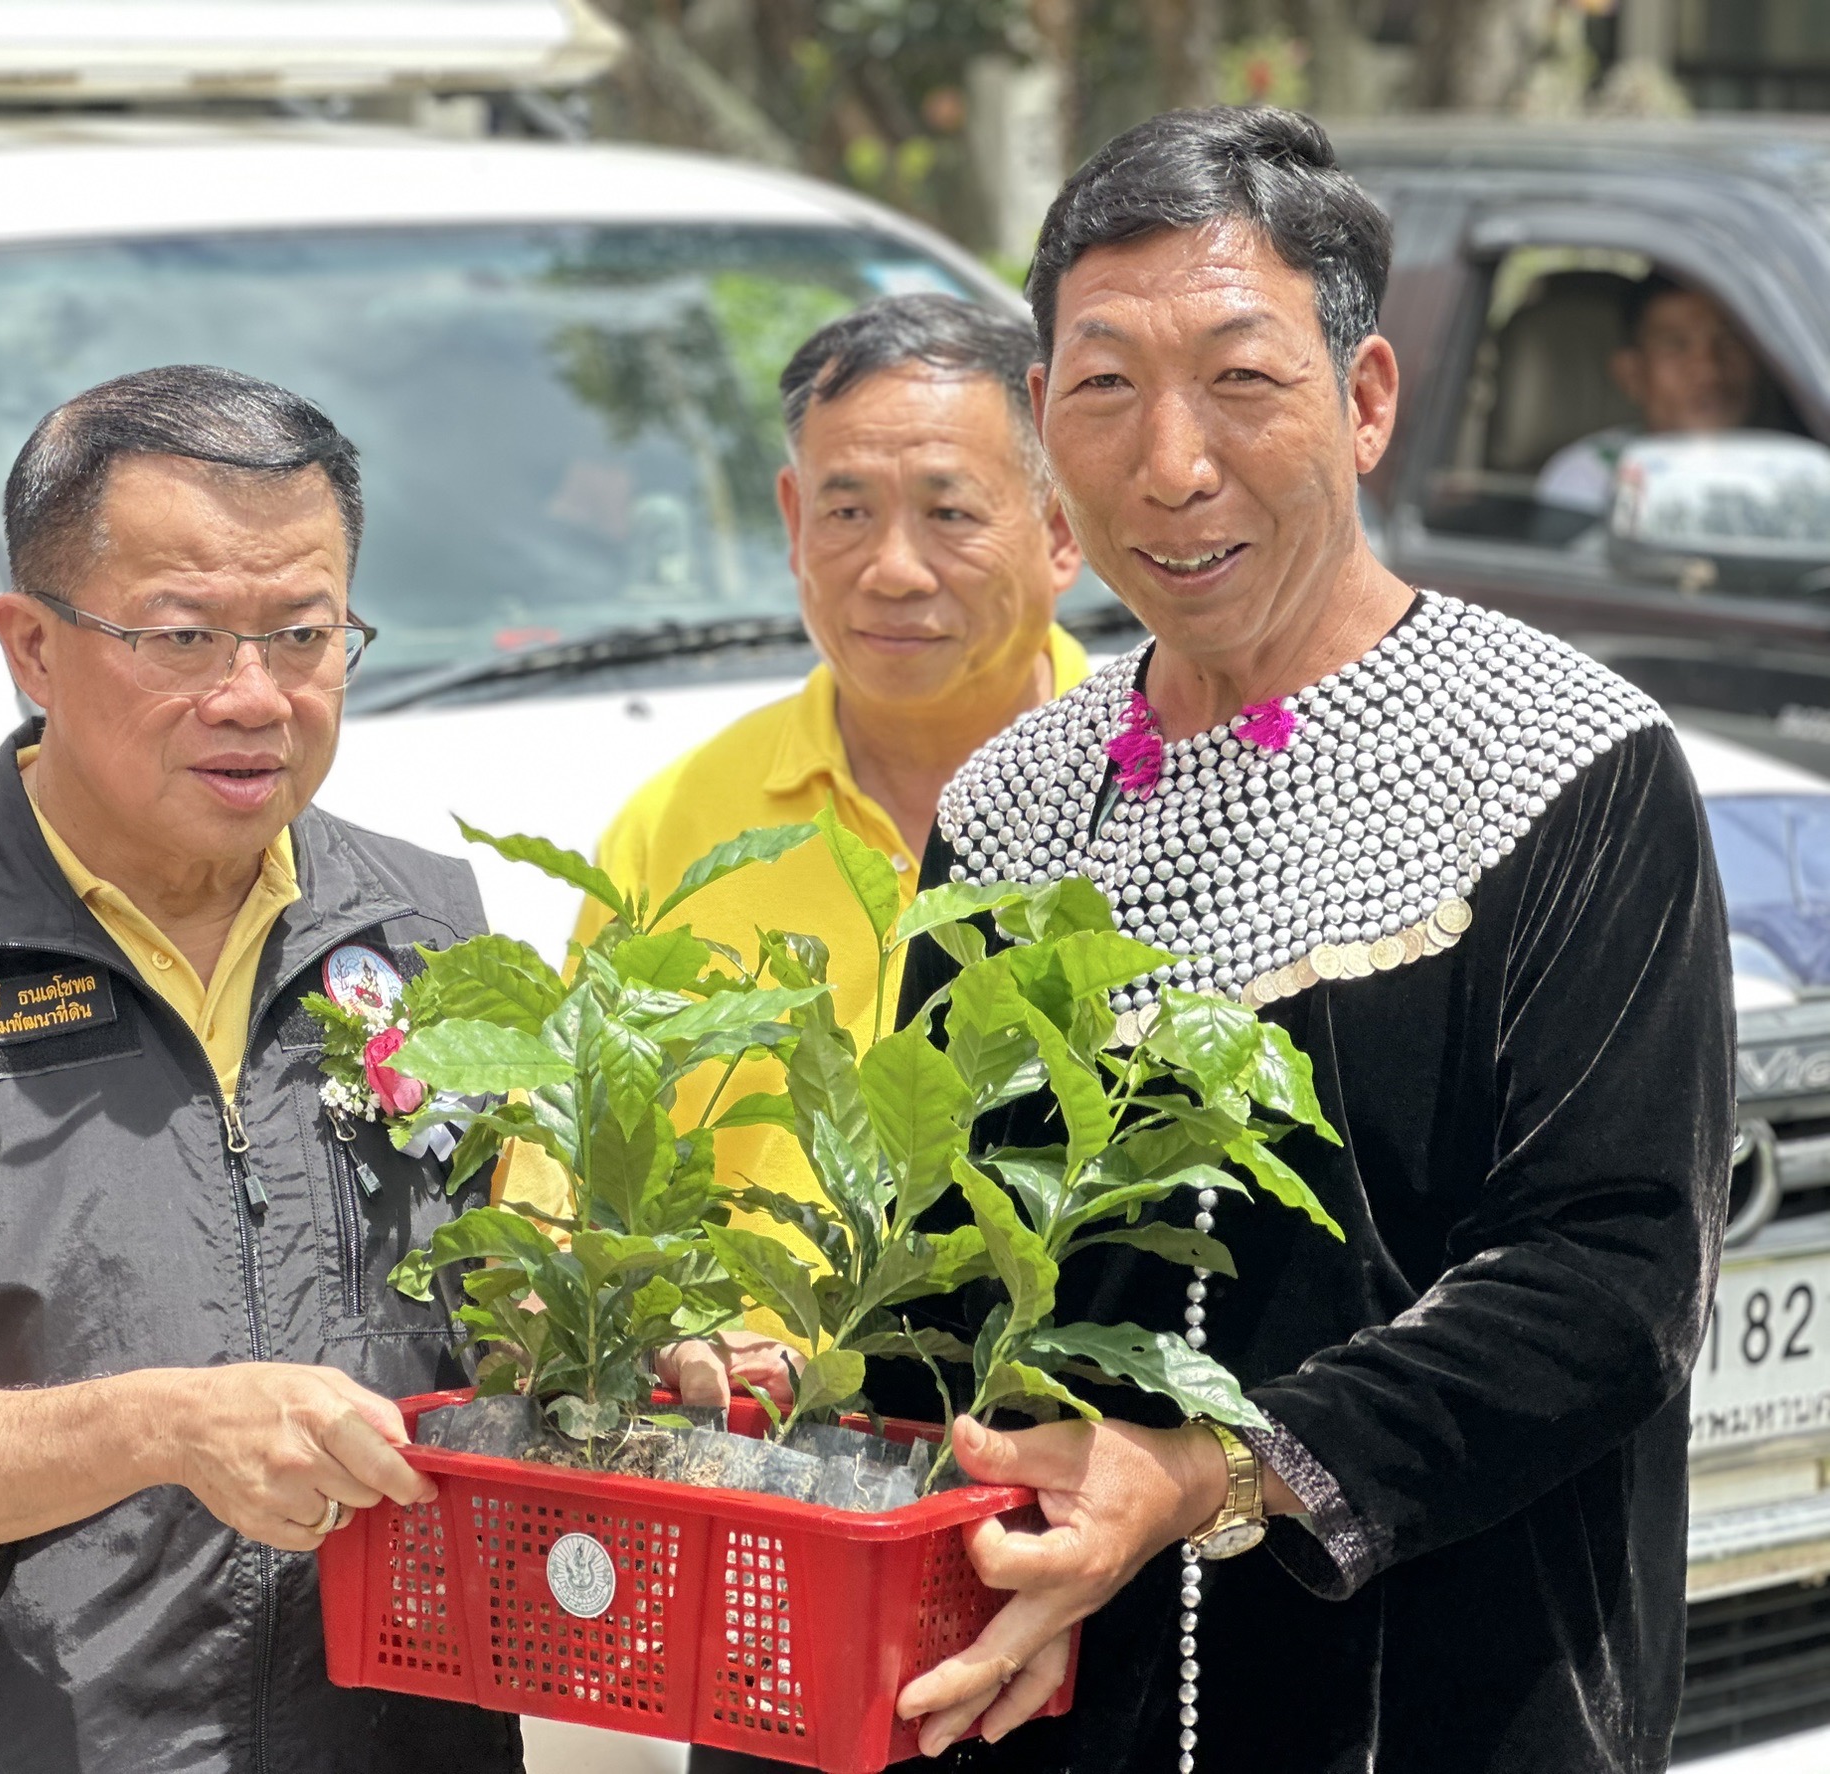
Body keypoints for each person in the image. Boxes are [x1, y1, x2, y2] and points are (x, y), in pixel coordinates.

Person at [886, 108, 1729, 1774]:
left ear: (1360, 404)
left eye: (1239, 379)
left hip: (1442, 1694)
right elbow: (942, 1267)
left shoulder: (1560, 762)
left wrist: (1216, 1468)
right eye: (1100, 384)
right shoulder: (1007, 803)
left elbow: (1603, 1277)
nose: (1167, 464)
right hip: (1066, 1698)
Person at [0, 367, 522, 1773]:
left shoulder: (439, 939)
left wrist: (655, 1367)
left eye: (304, 632)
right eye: (185, 635)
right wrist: (166, 1424)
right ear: (31, 647)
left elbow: (525, 1324)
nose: (253, 696)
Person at [548, 295, 1087, 1411]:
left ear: (1064, 524)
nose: (892, 569)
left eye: (950, 513)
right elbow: (574, 1205)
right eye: (847, 512)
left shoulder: (1165, 792)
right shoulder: (679, 827)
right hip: (735, 1490)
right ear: (793, 518)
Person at [1535, 272, 1764, 514]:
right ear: (1632, 375)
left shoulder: (1792, 463)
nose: (1709, 370)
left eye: (1729, 342)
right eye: (1676, 346)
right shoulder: (1593, 476)